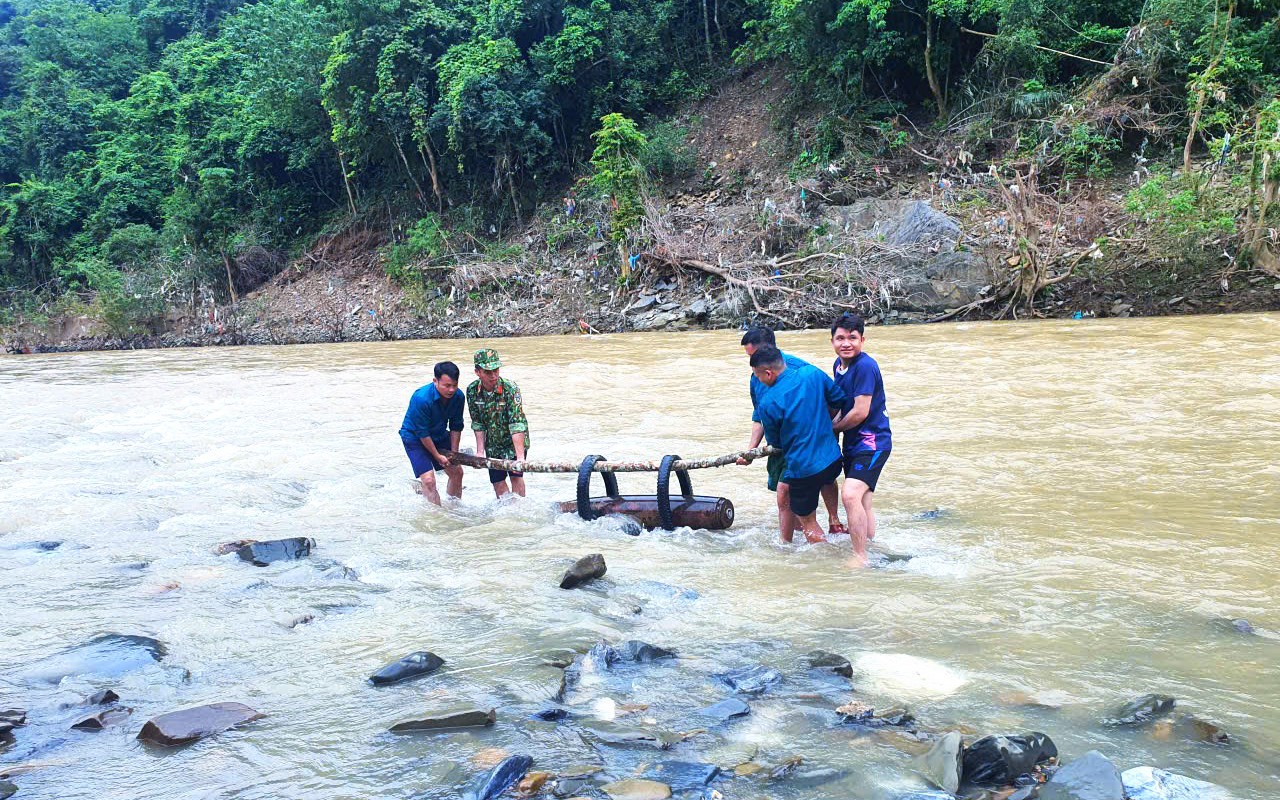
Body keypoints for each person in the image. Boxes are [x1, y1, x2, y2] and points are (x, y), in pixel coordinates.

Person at [740, 327, 845, 542]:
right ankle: (794, 541)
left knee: (801, 512)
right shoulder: (810, 374)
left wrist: (823, 425)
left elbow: (776, 438)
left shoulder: (777, 391)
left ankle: (818, 557)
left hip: (800, 459)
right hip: (830, 455)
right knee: (798, 496)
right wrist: (751, 449)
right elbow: (839, 398)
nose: (753, 367)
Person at [830, 313, 893, 565]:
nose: (846, 343)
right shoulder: (838, 365)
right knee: (864, 500)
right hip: (855, 442)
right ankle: (870, 545)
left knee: (850, 495)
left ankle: (860, 555)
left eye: (852, 338)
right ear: (832, 341)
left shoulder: (865, 366)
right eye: (840, 338)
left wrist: (834, 429)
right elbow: (839, 402)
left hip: (873, 442)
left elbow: (859, 412)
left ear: (862, 340)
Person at [465, 348, 530, 498]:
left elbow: (517, 424)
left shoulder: (510, 389)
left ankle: (519, 510)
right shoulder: (472, 391)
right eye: (488, 372)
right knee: (497, 481)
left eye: (496, 370)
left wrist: (520, 458)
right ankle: (506, 514)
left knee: (516, 476)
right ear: (478, 372)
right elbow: (478, 423)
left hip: (514, 442)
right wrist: (480, 452)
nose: (493, 375)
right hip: (493, 444)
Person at [399, 361, 466, 505]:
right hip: (414, 437)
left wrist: (454, 453)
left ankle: (454, 509)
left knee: (457, 472)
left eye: (454, 385)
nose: (451, 390)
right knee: (429, 480)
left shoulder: (459, 397)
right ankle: (437, 516)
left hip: (438, 434)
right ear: (435, 381)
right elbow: (422, 432)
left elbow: (456, 425)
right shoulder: (421, 398)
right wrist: (436, 456)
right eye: (447, 386)